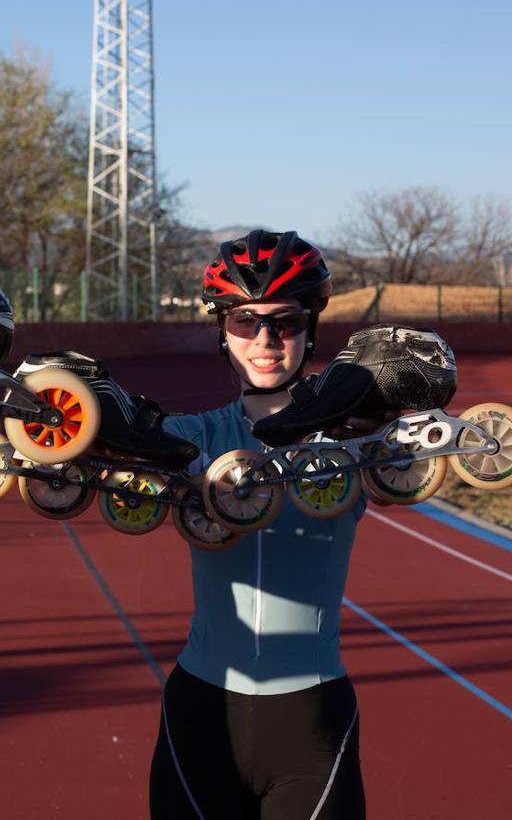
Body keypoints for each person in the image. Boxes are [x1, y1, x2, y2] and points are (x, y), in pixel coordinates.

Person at [149, 229, 376, 819]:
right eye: (245, 321)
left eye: (287, 322)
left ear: (313, 327)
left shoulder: (351, 437)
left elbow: (433, 444)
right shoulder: (192, 437)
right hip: (201, 717)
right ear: (221, 330)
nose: (267, 340)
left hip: (310, 726)